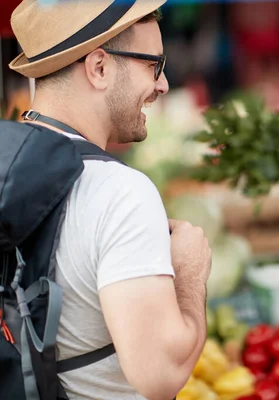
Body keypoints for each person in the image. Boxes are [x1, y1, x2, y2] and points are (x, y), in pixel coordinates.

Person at [8, 1, 211, 399]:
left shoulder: (8, 166)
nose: (163, 84)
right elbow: (161, 374)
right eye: (153, 64)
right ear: (99, 68)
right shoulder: (120, 193)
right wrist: (190, 272)